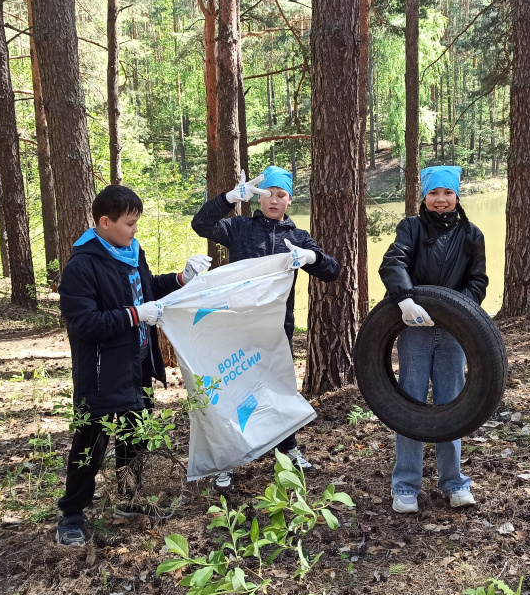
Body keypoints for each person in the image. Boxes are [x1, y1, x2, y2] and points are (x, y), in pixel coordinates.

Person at [55, 185, 211, 547]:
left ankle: (129, 500)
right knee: (90, 443)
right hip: (101, 372)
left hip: (137, 364)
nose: (134, 231)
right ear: (104, 222)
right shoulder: (82, 266)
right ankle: (72, 515)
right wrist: (133, 315)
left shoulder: (130, 253)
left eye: (137, 223)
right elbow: (84, 324)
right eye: (129, 224)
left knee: (135, 435)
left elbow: (146, 288)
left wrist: (181, 279)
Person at [191, 165, 340, 492]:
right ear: (258, 198)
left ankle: (288, 450)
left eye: (281, 194)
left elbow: (333, 271)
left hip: (277, 330)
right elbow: (200, 224)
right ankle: (227, 461)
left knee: (279, 390)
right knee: (233, 390)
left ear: (290, 199)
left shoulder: (298, 238)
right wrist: (229, 199)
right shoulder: (240, 228)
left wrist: (311, 258)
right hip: (237, 327)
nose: (274, 200)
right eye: (268, 193)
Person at [378, 166, 487, 513]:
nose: (441, 200)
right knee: (409, 406)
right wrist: (404, 299)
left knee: (451, 406)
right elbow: (393, 261)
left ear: (457, 196)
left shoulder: (471, 233)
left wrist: (459, 313)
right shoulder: (410, 227)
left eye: (448, 193)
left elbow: (478, 281)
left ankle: (454, 483)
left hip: (455, 335)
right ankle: (405, 486)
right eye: (434, 194)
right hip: (414, 328)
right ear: (424, 196)